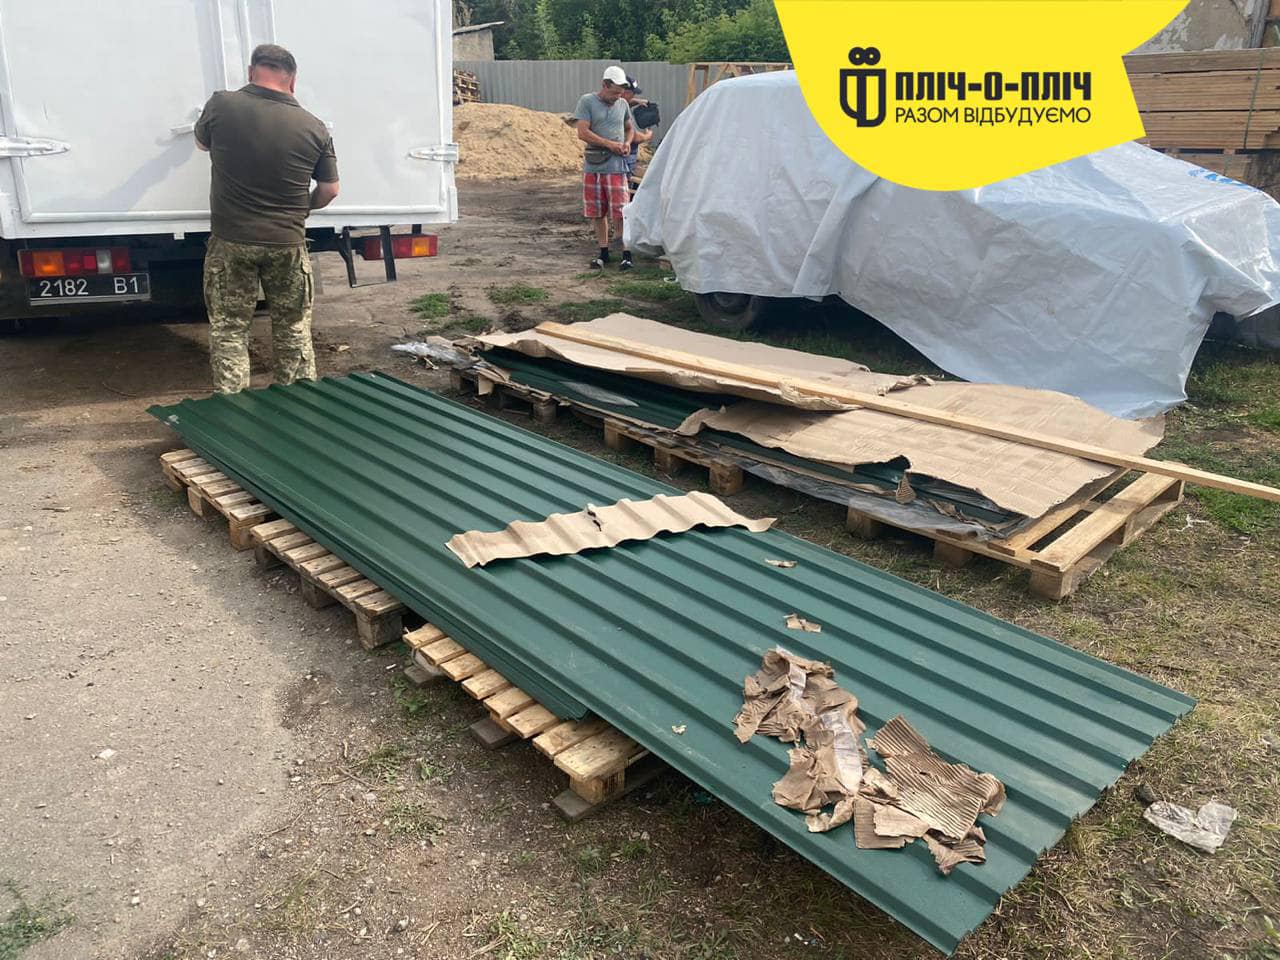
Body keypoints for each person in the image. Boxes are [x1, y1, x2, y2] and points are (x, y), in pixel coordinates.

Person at [194, 43, 340, 394]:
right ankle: (299, 406)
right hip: (287, 243)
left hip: (231, 242)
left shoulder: (222, 105)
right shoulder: (314, 127)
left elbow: (202, 144)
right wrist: (300, 209)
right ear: (293, 81)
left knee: (230, 330)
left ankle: (232, 409)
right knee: (293, 329)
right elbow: (330, 190)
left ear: (251, 71)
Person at [573, 65, 634, 271]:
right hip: (594, 166)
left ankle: (626, 254)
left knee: (622, 211)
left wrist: (627, 143)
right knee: (597, 212)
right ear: (604, 85)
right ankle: (604, 252)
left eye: (620, 93)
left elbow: (629, 129)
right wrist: (610, 145)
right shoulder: (587, 102)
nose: (617, 97)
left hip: (616, 167)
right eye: (614, 93)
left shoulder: (622, 104)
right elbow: (583, 132)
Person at [620, 77, 656, 196]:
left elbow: (625, 102)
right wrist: (647, 136)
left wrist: (637, 101)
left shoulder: (616, 104)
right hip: (626, 155)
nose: (634, 95)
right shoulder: (620, 109)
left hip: (625, 155)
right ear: (625, 92)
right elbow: (634, 137)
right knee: (625, 187)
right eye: (633, 93)